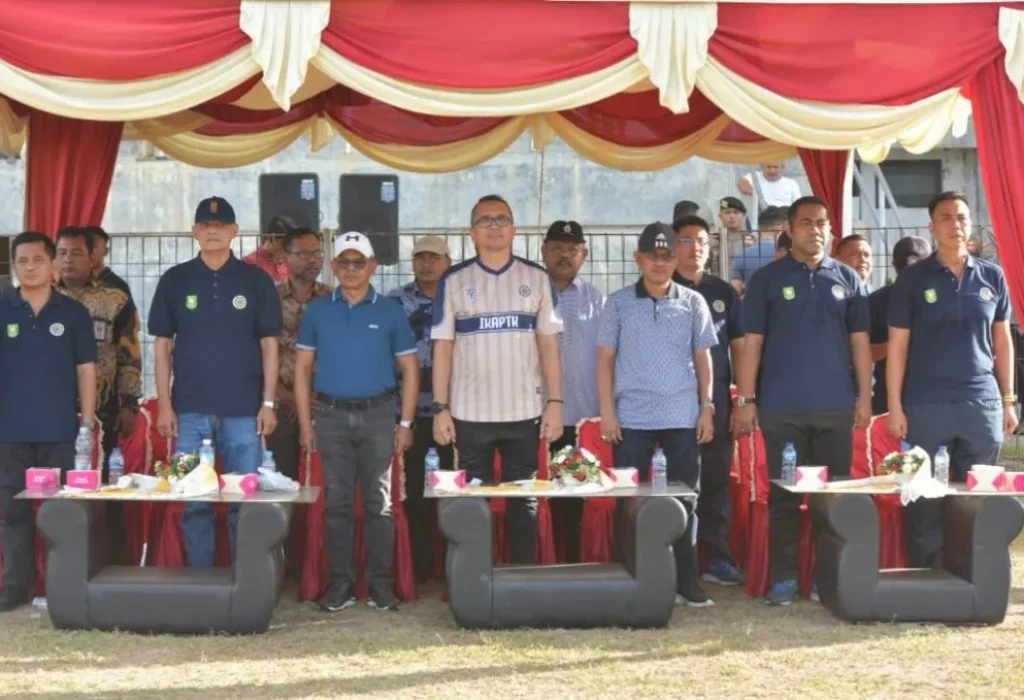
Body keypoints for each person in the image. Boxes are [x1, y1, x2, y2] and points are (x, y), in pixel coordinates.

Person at [736, 196, 872, 606]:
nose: (816, 230)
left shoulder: (848, 279)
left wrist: (864, 397)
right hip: (782, 408)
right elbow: (751, 342)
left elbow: (861, 343)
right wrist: (746, 399)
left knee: (833, 499)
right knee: (785, 499)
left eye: (823, 223)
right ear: (790, 230)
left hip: (835, 408)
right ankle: (784, 580)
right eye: (807, 223)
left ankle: (826, 579)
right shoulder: (767, 279)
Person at [148, 196, 282, 568]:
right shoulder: (175, 279)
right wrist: (164, 404)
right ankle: (200, 580)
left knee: (245, 502)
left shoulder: (257, 280)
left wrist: (268, 404)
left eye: (221, 226)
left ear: (235, 232)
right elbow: (162, 346)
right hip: (189, 411)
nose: (213, 231)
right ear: (194, 232)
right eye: (205, 226)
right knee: (194, 502)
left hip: (244, 412)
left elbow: (270, 345)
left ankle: (245, 580)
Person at [431, 195, 564, 565]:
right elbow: (442, 347)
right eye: (485, 221)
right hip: (470, 414)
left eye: (501, 219)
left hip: (524, 411)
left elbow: (549, 345)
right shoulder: (454, 281)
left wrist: (556, 402)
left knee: (525, 502)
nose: (493, 227)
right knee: (474, 504)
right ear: (472, 232)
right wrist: (441, 409)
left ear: (514, 229)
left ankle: (523, 581)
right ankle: (477, 580)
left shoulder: (536, 278)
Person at [886, 192, 1017, 568]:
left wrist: (1008, 399)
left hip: (982, 401)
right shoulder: (913, 278)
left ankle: (972, 568)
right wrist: (895, 405)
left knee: (977, 493)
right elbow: (897, 347)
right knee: (924, 493)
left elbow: (1002, 341)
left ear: (970, 224)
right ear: (932, 226)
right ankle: (926, 569)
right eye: (945, 217)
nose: (954, 224)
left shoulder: (992, 275)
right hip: (926, 402)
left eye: (961, 217)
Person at [295, 231, 419, 612]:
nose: (351, 269)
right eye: (344, 262)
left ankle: (381, 586)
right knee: (338, 504)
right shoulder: (318, 310)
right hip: (330, 416)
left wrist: (406, 423)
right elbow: (302, 369)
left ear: (373, 267)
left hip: (379, 415)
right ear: (333, 266)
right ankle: (341, 586)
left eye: (358, 262)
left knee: (380, 503)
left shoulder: (390, 310)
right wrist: (305, 424)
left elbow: (410, 368)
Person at [598, 222, 717, 606]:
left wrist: (706, 408)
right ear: (639, 259)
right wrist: (607, 413)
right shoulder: (616, 303)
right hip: (631, 417)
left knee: (685, 501)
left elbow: (704, 359)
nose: (660, 263)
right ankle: (630, 578)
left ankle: (687, 582)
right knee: (628, 499)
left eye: (667, 256)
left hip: (682, 414)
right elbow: (605, 360)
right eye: (653, 256)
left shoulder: (693, 302)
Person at [0, 232, 97, 612]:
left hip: (60, 430)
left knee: (62, 513)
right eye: (21, 261)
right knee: (13, 513)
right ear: (14, 266)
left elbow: (86, 370)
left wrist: (87, 423)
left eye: (37, 260)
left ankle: (64, 584)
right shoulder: (2, 308)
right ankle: (14, 587)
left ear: (52, 265)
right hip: (9, 432)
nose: (29, 267)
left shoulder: (73, 313)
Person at [672, 216, 745, 586]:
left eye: (702, 241)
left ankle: (717, 557)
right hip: (672, 405)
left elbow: (740, 346)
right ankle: (676, 560)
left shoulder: (723, 292)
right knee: (677, 483)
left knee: (716, 480)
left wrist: (744, 399)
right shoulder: (661, 288)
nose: (696, 247)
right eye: (686, 240)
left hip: (716, 403)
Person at [387, 235, 455, 582]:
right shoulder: (394, 302)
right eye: (420, 257)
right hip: (409, 415)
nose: (426, 264)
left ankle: (452, 566)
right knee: (413, 492)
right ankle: (420, 568)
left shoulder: (460, 296)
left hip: (454, 416)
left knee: (452, 491)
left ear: (449, 260)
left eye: (434, 257)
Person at [540, 220, 604, 563]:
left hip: (584, 420)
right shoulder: (531, 292)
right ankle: (546, 563)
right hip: (540, 419)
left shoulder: (597, 298)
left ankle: (578, 563)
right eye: (557, 249)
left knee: (580, 495)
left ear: (584, 255)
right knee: (543, 496)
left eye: (573, 250)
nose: (565, 256)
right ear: (543, 251)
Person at [56, 226, 142, 468]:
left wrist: (128, 404)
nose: (68, 260)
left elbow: (129, 354)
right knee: (57, 475)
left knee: (105, 475)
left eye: (76, 253)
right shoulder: (43, 297)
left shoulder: (114, 298)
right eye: (61, 253)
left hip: (104, 405)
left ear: (91, 257)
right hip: (52, 404)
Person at [265, 227, 331, 482]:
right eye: (304, 254)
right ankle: (286, 522)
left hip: (324, 403)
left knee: (325, 482)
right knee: (282, 481)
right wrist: (290, 397)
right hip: (281, 403)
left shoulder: (332, 300)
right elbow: (259, 356)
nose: (313, 260)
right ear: (285, 257)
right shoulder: (271, 300)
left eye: (317, 253)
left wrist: (313, 398)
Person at [867, 236, 931, 416]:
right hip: (887, 399)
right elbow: (862, 352)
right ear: (894, 266)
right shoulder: (876, 302)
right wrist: (897, 346)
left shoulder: (943, 297)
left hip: (933, 395)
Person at [731, 206, 787, 295]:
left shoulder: (742, 255)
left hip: (753, 306)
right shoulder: (788, 254)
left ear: (759, 227)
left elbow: (734, 292)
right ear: (782, 227)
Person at [85, 226, 133, 300]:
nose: (89, 252)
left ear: (106, 251)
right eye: (85, 248)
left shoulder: (117, 285)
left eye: (94, 247)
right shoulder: (72, 282)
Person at [242, 216, 291, 283]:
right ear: (271, 238)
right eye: (285, 246)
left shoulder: (290, 262)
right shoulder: (249, 263)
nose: (289, 252)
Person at [707, 197, 748, 278]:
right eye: (727, 212)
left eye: (736, 212)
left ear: (743, 215)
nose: (732, 216)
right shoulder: (711, 241)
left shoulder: (752, 241)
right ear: (720, 216)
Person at [737, 162, 802, 209]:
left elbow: (798, 205)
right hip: (761, 216)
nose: (772, 171)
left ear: (782, 168)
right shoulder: (755, 176)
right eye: (769, 167)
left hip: (784, 217)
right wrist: (755, 194)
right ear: (762, 167)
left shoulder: (791, 184)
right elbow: (741, 183)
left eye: (775, 167)